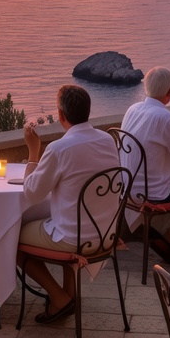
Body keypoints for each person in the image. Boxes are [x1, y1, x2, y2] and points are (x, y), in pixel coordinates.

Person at [18, 84, 121, 323]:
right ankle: (68, 297)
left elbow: (32, 194)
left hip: (73, 240)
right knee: (63, 221)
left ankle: (60, 298)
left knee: (11, 236)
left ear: (61, 115)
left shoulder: (58, 149)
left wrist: (34, 153)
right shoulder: (107, 140)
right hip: (106, 234)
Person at [118, 66, 170, 266]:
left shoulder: (133, 110)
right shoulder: (165, 118)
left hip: (128, 189)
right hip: (154, 192)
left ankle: (166, 240)